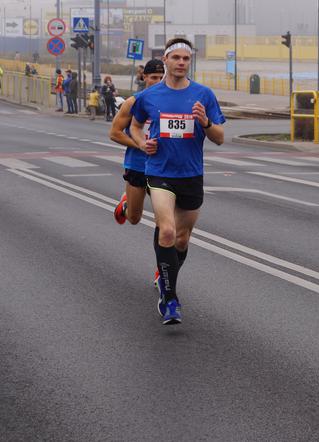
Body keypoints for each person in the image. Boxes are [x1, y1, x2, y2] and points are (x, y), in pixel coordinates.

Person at [130, 38, 225, 325]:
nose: (181, 63)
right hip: (159, 172)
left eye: (186, 58)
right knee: (168, 232)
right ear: (167, 60)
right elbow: (134, 125)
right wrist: (142, 142)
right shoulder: (150, 96)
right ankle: (169, 299)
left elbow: (219, 138)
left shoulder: (203, 94)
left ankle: (165, 274)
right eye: (177, 58)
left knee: (182, 240)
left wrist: (206, 122)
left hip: (191, 175)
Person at [111, 59, 165, 226]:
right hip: (137, 164)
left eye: (161, 77)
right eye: (154, 77)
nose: (157, 82)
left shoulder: (170, 102)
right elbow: (115, 133)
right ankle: (126, 204)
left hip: (163, 166)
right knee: (134, 218)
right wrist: (141, 145)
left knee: (165, 220)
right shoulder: (133, 102)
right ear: (144, 77)